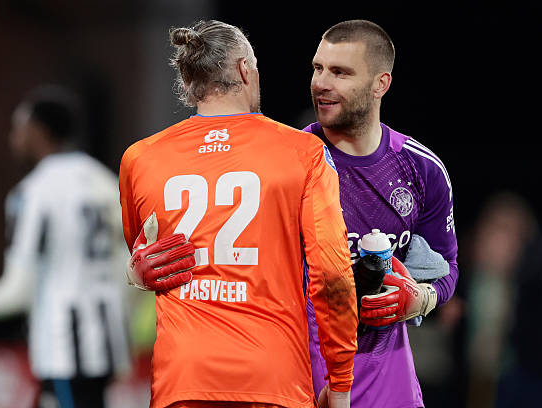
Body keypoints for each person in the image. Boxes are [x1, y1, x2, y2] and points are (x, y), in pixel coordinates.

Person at [119, 20, 358, 408]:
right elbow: (332, 276)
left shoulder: (141, 158)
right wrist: (341, 383)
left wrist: (133, 273)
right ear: (246, 70)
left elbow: (141, 254)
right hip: (274, 378)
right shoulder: (304, 153)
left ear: (187, 81)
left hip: (183, 378)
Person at [304, 20, 459, 407]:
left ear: (380, 84)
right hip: (303, 378)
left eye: (340, 72)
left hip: (389, 385)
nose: (321, 82)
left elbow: (447, 268)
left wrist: (419, 299)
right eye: (318, 68)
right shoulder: (291, 161)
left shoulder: (422, 169)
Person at [0, 85, 131, 407]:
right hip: (108, 339)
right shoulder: (106, 182)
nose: (14, 138)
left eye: (19, 128)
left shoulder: (33, 192)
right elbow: (129, 266)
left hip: (64, 346)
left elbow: (19, 289)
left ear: (39, 131)